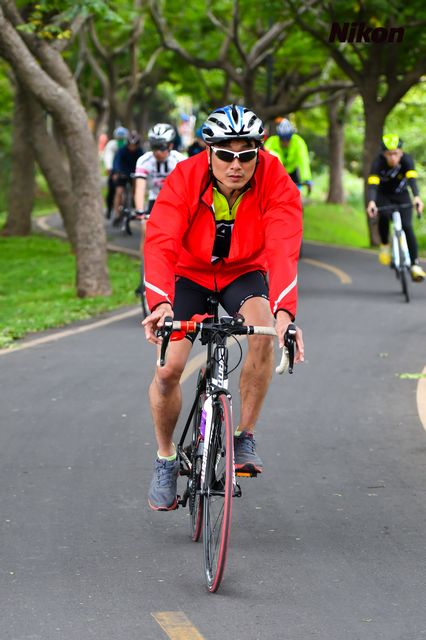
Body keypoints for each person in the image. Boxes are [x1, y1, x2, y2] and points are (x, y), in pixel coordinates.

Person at [141, 104, 304, 511]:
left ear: (258, 152)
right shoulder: (185, 177)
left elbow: (283, 248)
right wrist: (160, 303)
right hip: (188, 273)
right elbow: (160, 240)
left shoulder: (276, 180)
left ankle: (243, 435)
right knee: (169, 371)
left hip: (243, 272)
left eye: (246, 155)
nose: (236, 165)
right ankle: (165, 458)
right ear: (208, 151)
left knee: (263, 334)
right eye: (225, 155)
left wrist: (285, 314)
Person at [367, 134, 425, 281]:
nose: (393, 158)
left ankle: (415, 265)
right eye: (389, 154)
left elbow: (412, 181)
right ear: (383, 154)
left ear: (401, 152)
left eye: (396, 154)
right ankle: (385, 245)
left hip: (402, 195)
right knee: (384, 215)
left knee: (407, 226)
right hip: (383, 195)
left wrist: (417, 197)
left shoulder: (407, 160)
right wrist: (372, 202)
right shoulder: (378, 163)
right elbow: (373, 185)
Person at [133, 123, 185, 265]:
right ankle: (145, 272)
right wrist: (140, 211)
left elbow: (187, 188)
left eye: (161, 147)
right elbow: (139, 188)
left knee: (178, 236)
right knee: (146, 232)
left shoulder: (180, 160)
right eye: (153, 146)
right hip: (155, 199)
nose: (157, 152)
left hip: (175, 201)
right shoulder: (144, 160)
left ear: (170, 145)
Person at [264, 118, 313, 193]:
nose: (285, 142)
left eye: (288, 139)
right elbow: (264, 158)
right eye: (282, 139)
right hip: (277, 173)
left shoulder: (298, 142)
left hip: (292, 172)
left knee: (296, 193)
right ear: (279, 136)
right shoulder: (271, 141)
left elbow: (303, 161)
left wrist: (307, 179)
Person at [111, 130, 144, 226]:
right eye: (130, 145)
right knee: (119, 192)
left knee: (137, 190)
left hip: (135, 173)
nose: (132, 148)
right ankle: (117, 214)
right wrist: (116, 172)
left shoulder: (140, 152)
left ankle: (137, 208)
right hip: (122, 173)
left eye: (134, 146)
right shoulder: (122, 151)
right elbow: (116, 162)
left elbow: (143, 164)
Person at [102, 126, 129, 218]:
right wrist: (109, 168)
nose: (120, 140)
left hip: (125, 169)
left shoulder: (127, 144)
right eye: (119, 138)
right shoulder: (111, 145)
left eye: (122, 138)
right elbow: (108, 156)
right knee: (112, 190)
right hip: (114, 169)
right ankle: (109, 209)